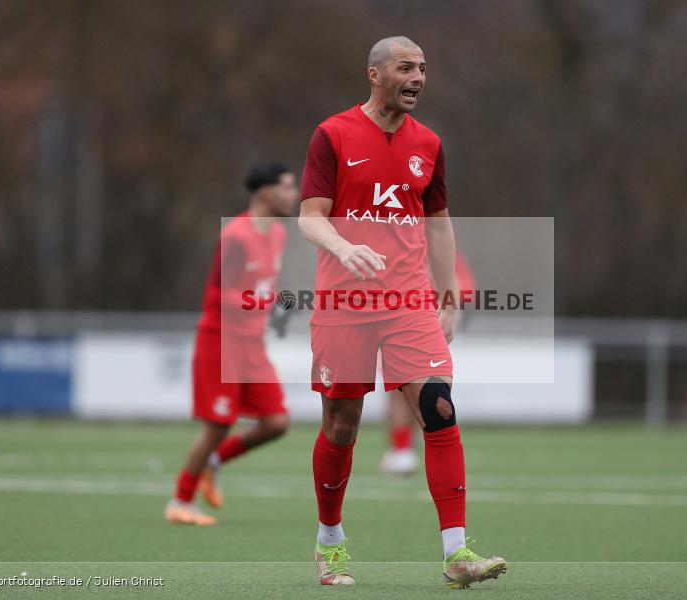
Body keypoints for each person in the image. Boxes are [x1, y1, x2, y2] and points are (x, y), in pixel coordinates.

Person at [298, 36, 506, 588]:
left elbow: (438, 223)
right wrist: (343, 247)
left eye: (422, 69)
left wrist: (448, 295)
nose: (417, 77)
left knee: (438, 406)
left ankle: (457, 554)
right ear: (374, 74)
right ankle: (330, 541)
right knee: (341, 426)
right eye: (405, 67)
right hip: (344, 302)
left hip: (408, 301)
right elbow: (309, 217)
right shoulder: (333, 134)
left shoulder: (430, 144)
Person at [165, 163, 298, 525]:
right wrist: (265, 302)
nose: (295, 194)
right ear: (267, 193)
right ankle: (180, 501)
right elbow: (217, 294)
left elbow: (261, 288)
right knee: (218, 426)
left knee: (276, 422)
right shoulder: (237, 235)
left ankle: (214, 460)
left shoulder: (278, 234)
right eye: (287, 188)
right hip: (220, 341)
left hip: (252, 344)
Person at [381, 248, 477, 476]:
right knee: (400, 389)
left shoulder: (437, 246)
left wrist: (450, 312)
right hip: (398, 321)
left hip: (427, 325)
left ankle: (407, 448)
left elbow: (464, 287)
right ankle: (402, 449)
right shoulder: (394, 244)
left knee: (423, 388)